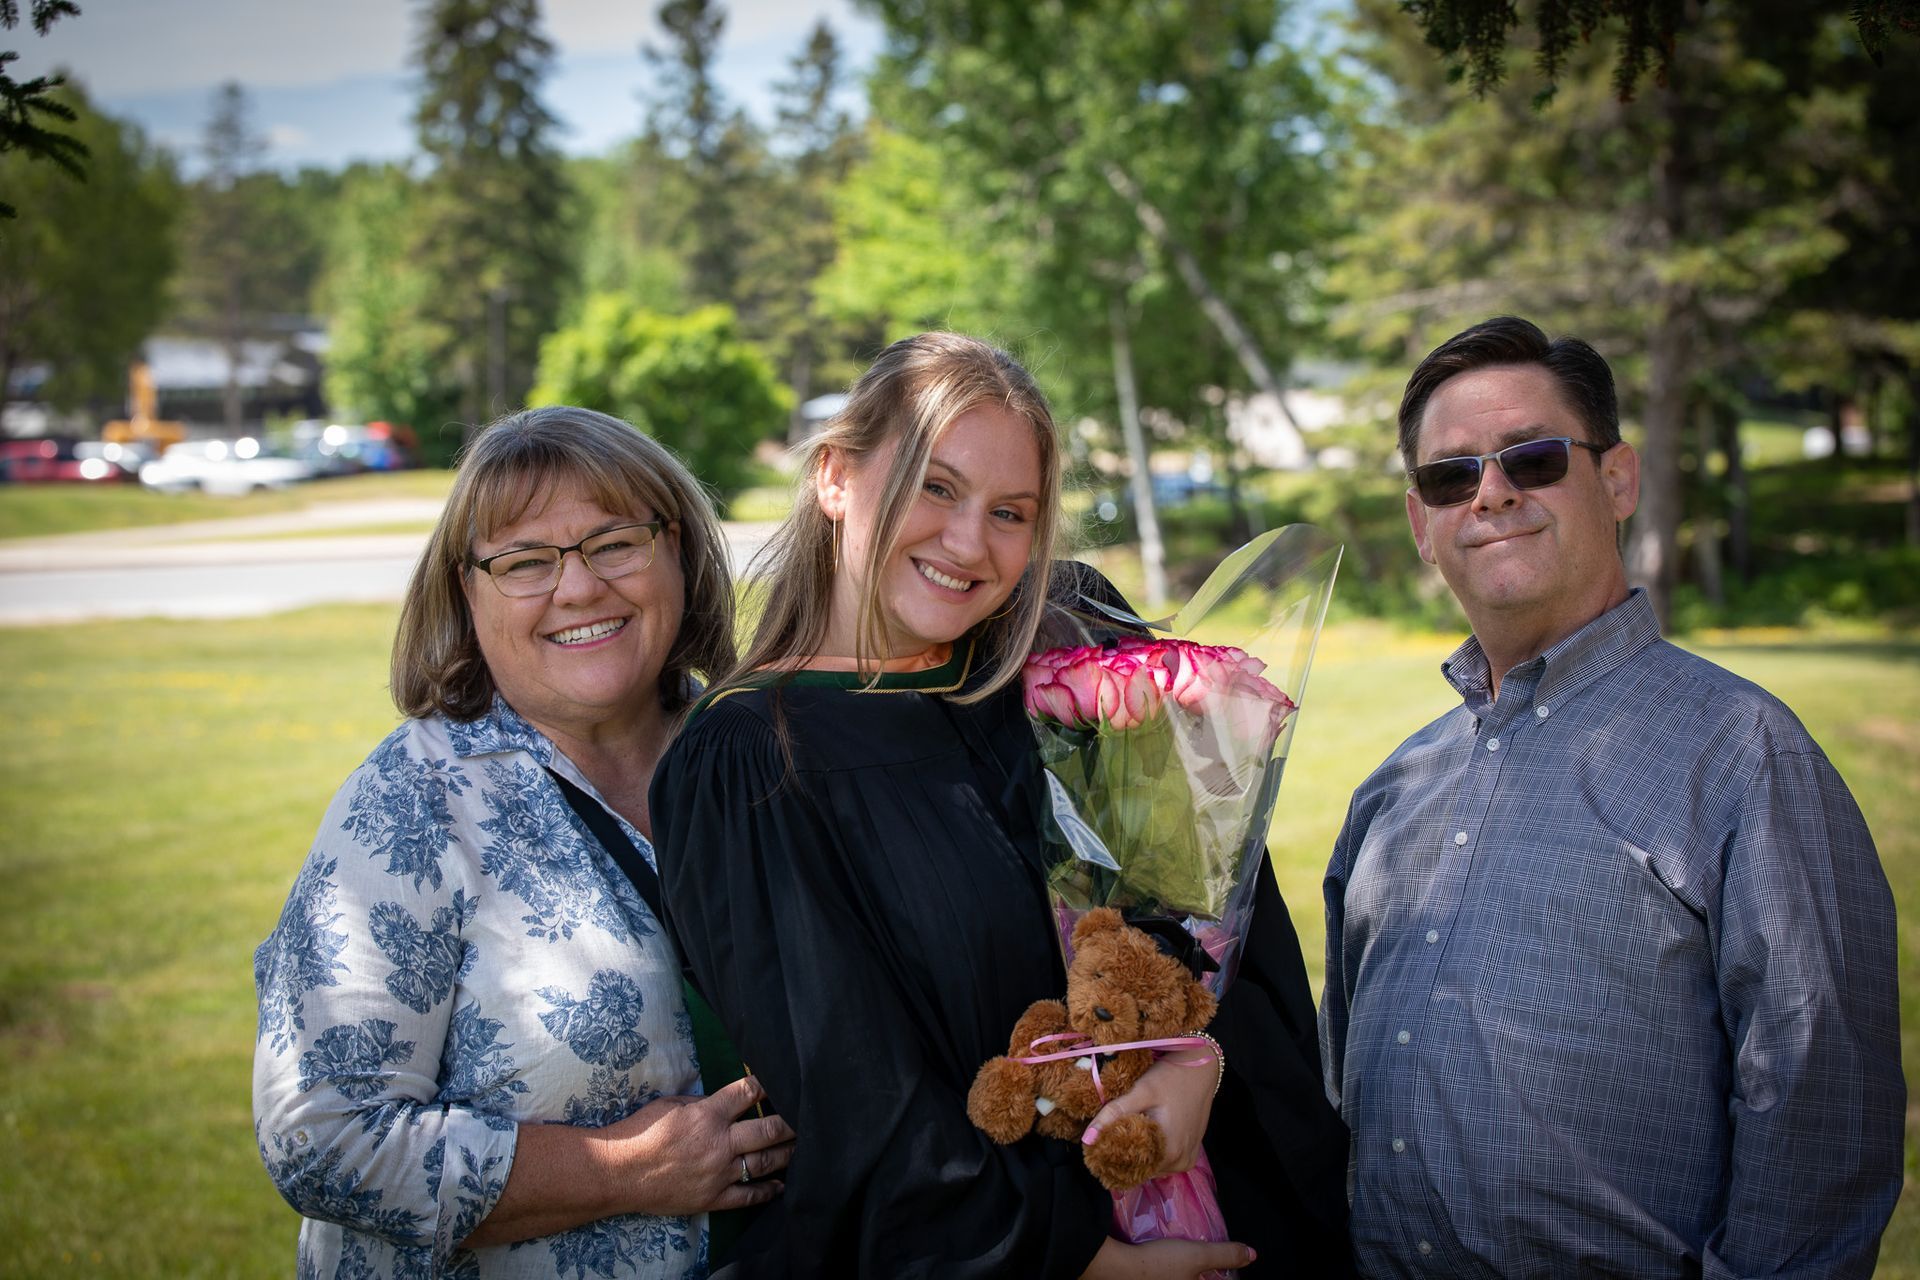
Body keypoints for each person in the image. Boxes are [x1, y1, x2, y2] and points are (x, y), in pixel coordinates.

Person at [649, 332, 1352, 1278]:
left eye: (1010, 511)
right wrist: (1084, 1261)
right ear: (835, 478)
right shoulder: (752, 759)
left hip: (1207, 1200)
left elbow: (1214, 914)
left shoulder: (1068, 649)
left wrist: (1196, 1059)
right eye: (934, 488)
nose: (969, 542)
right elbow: (860, 1098)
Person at [1319, 316, 1904, 1278]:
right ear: (1422, 523)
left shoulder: (1743, 754)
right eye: (1449, 475)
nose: (1492, 492)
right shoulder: (1394, 788)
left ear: (1618, 479)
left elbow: (1821, 1121)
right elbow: (1340, 1087)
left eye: (1534, 458)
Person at [252, 406, 795, 1278]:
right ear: (467, 595)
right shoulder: (409, 806)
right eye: (524, 562)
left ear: (679, 555)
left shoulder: (761, 757)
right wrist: (625, 1171)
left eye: (615, 543)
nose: (578, 588)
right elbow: (321, 1135)